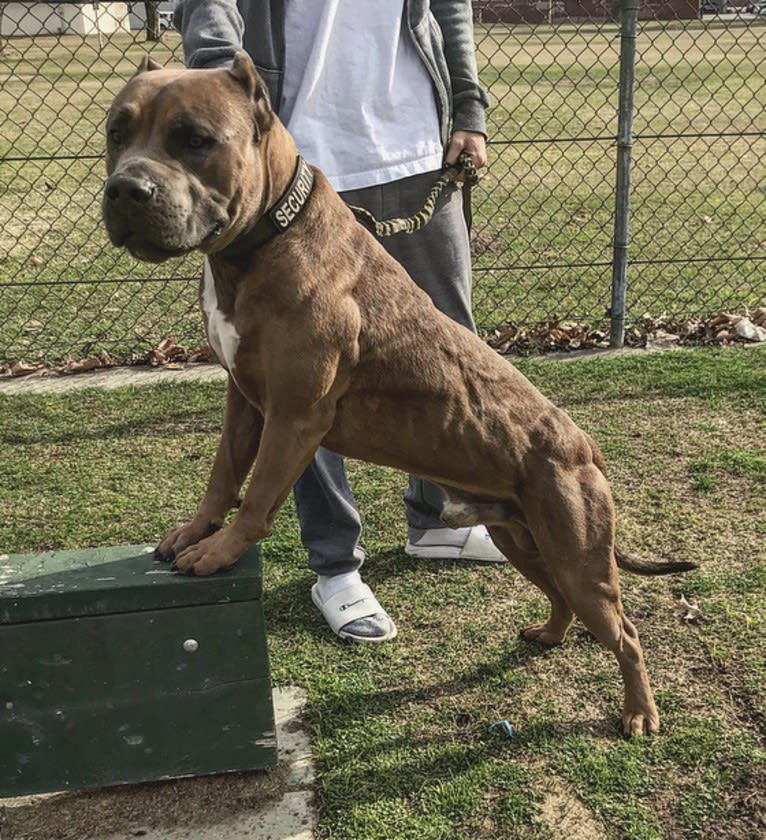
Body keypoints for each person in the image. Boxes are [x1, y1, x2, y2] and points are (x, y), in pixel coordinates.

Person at [174, 0, 507, 644]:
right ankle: (336, 565)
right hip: (291, 157)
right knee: (296, 378)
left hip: (418, 148)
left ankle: (438, 518)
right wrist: (220, 82)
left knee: (446, 349)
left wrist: (467, 108)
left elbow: (448, 7)